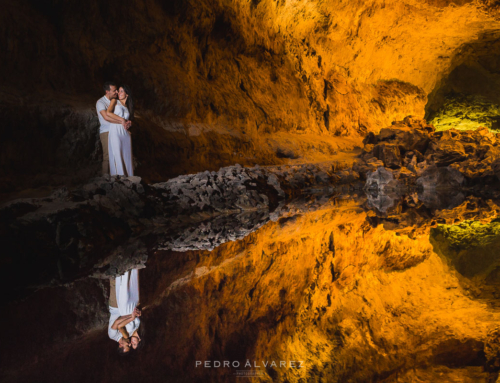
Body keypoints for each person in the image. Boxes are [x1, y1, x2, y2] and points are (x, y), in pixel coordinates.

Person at [108, 268, 141, 354]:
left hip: (115, 307)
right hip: (125, 305)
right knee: (127, 283)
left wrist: (131, 316)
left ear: (121, 345)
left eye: (127, 345)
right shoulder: (128, 335)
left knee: (115, 283)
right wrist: (136, 314)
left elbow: (117, 321)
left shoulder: (112, 335)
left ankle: (115, 263)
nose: (129, 344)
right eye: (131, 345)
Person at [106, 85, 134, 177]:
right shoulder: (115, 101)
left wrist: (129, 123)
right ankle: (120, 178)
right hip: (115, 131)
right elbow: (108, 113)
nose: (118, 93)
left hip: (125, 134)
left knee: (127, 156)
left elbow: (128, 121)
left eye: (121, 91)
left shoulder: (127, 107)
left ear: (127, 94)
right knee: (117, 154)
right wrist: (122, 120)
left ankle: (129, 178)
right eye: (118, 91)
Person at [96, 82, 123, 176]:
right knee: (107, 155)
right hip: (106, 131)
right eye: (114, 90)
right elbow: (106, 117)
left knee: (117, 155)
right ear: (107, 91)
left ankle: (116, 176)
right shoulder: (100, 102)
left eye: (116, 90)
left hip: (116, 131)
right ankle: (105, 178)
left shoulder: (116, 101)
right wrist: (121, 122)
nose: (116, 92)